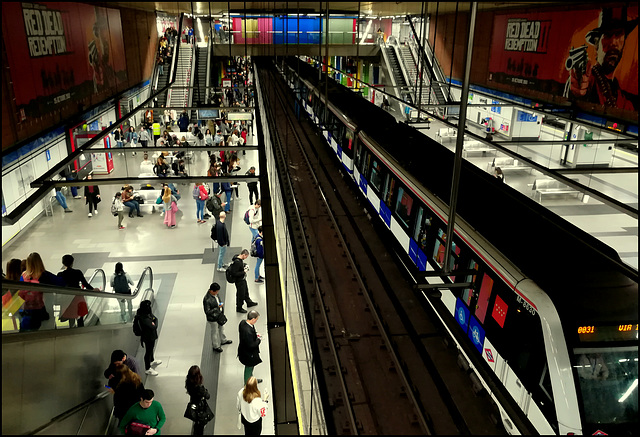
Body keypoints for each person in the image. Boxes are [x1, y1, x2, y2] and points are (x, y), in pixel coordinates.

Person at [565, 6, 639, 110]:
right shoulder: (591, 79)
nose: (613, 43)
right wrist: (577, 92)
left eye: (618, 34)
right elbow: (577, 91)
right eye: (608, 35)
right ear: (596, 45)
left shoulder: (621, 97)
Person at [18, 252, 64, 331]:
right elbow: (61, 283)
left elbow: (20, 293)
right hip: (43, 308)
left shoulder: (23, 276)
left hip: (27, 309)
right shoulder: (45, 275)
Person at [57, 254, 95, 327]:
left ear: (63, 263)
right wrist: (93, 290)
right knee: (80, 316)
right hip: (78, 298)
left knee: (70, 317)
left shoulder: (60, 274)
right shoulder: (78, 272)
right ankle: (81, 330)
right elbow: (86, 284)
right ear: (72, 262)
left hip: (67, 298)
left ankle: (72, 330)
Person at [134, 300, 162, 376]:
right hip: (148, 337)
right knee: (148, 351)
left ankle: (152, 360)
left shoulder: (146, 314)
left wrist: (154, 321)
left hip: (151, 335)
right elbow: (153, 326)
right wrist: (154, 322)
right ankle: (147, 368)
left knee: (151, 348)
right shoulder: (143, 318)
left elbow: (155, 319)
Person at [185, 365, 214, 435]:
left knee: (197, 421)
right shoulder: (199, 388)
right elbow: (208, 396)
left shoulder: (188, 382)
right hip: (200, 406)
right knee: (200, 424)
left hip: (193, 403)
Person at [203, 282, 232, 353]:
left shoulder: (215, 294)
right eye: (216, 291)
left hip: (219, 315)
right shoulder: (207, 299)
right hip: (213, 319)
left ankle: (223, 340)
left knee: (221, 328)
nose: (217, 293)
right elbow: (207, 312)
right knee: (214, 332)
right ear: (212, 291)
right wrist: (217, 308)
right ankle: (215, 346)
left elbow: (218, 300)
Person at [238, 310, 262, 384]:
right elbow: (251, 345)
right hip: (248, 354)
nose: (256, 321)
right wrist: (259, 339)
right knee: (249, 368)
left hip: (243, 351)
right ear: (253, 319)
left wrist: (255, 334)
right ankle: (247, 385)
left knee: (250, 368)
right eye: (256, 319)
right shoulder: (248, 332)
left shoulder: (242, 323)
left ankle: (251, 380)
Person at [229, 249, 257, 313]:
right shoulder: (237, 262)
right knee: (240, 294)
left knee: (245, 291)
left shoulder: (239, 259)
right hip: (239, 281)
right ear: (243, 255)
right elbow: (234, 273)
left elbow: (241, 265)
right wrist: (243, 272)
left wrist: (245, 265)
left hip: (242, 279)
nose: (246, 258)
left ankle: (249, 302)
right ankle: (239, 307)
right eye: (246, 257)